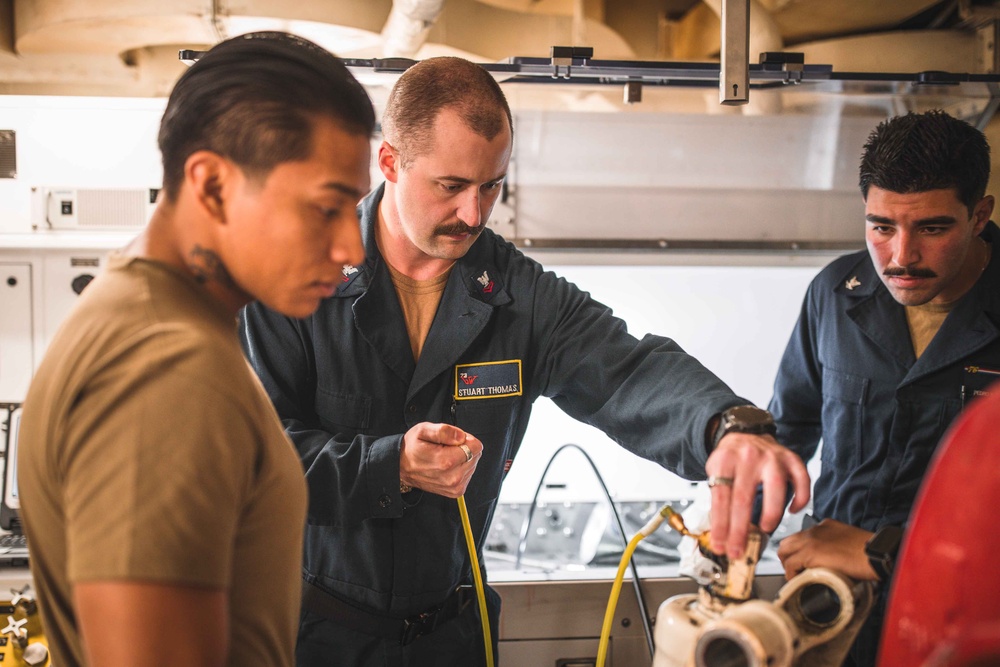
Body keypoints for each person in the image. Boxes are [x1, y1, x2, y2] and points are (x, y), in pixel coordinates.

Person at [240, 56, 810, 667]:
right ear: (389, 162)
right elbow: (255, 465)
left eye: (492, 186)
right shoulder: (295, 278)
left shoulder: (522, 296)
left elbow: (628, 371)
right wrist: (391, 466)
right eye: (451, 186)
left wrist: (724, 427)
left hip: (454, 638)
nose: (475, 214)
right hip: (313, 636)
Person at [17, 32, 374, 667]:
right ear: (210, 186)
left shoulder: (141, 312)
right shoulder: (169, 368)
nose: (352, 247)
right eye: (327, 208)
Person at [772, 110, 1000, 667]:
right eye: (881, 227)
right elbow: (791, 429)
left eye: (932, 228)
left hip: (958, 628)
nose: (900, 257)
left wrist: (884, 553)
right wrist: (738, 511)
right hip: (829, 610)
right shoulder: (834, 294)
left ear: (978, 216)